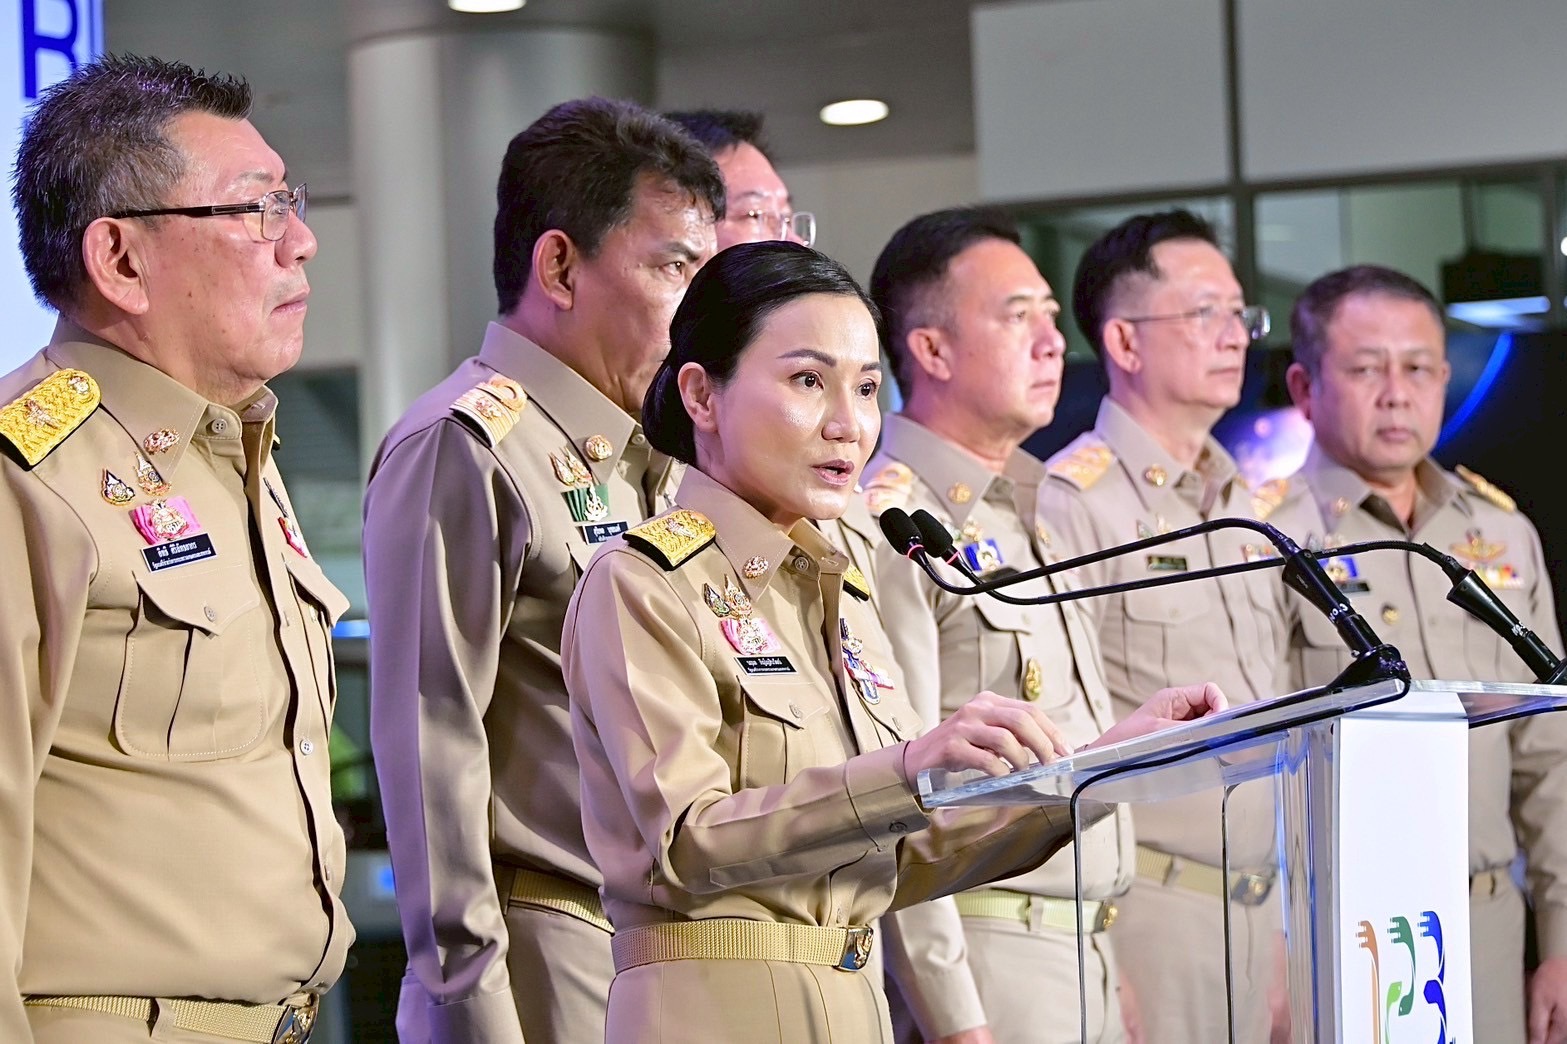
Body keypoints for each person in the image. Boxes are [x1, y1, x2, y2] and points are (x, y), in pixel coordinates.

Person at [562, 240, 1227, 1042]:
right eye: (808, 381)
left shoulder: (844, 584)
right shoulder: (643, 583)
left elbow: (903, 853)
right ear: (703, 394)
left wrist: (1099, 770)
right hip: (713, 1002)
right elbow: (688, 842)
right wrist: (908, 768)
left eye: (867, 388)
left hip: (854, 998)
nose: (849, 424)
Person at [0, 55, 348, 1043]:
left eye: (294, 204)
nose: (303, 243)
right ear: (120, 260)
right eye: (257, 211)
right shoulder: (26, 471)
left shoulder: (233, 453)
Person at [362, 98, 722, 1044]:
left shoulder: (664, 459)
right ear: (559, 264)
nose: (703, 309)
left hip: (681, 946)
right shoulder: (464, 443)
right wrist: (467, 1004)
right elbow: (427, 739)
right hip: (551, 943)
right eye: (673, 267)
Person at [862, 208, 1139, 1044]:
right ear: (932, 350)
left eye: (1053, 319)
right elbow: (894, 793)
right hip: (984, 954)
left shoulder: (1026, 508)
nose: (1053, 341)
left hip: (1081, 945)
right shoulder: (892, 520)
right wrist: (954, 1018)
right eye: (1018, 317)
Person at [1277, 264, 1567, 1044]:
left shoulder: (1501, 535)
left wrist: (1562, 943)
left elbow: (1550, 759)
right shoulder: (1267, 536)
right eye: (1366, 368)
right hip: (1335, 929)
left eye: (1418, 368)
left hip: (1486, 924)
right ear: (1305, 388)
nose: (1396, 392)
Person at [1039, 209, 1292, 1041]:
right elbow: (1063, 737)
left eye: (1239, 315)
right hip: (1145, 907)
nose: (1235, 336)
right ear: (1124, 341)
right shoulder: (1069, 503)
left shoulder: (1248, 504)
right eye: (1203, 313)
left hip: (1266, 905)